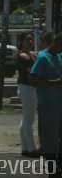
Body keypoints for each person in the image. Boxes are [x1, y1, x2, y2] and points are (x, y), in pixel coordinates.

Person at [30, 32, 62, 178]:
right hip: (48, 105)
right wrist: (55, 82)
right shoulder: (43, 57)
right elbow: (33, 79)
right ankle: (52, 170)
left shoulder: (59, 56)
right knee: (50, 140)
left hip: (59, 104)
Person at [17, 32, 39, 157]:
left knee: (25, 118)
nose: (30, 42)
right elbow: (33, 74)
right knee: (29, 120)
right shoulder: (24, 56)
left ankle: (25, 147)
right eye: (27, 40)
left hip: (25, 88)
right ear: (21, 42)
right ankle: (31, 148)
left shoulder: (30, 55)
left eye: (31, 39)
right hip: (28, 89)